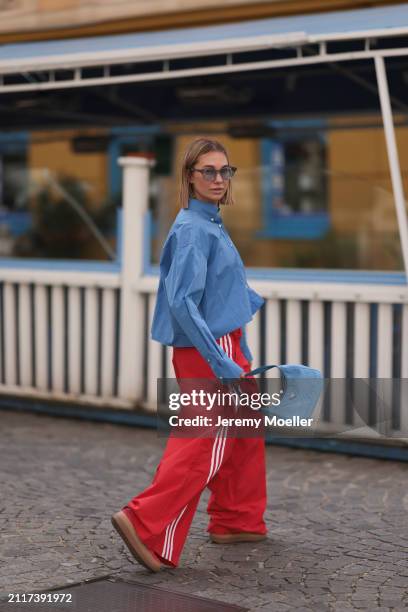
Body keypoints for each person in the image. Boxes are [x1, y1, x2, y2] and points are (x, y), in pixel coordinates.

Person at [111, 137, 268, 572]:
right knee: (204, 441)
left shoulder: (210, 223)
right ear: (189, 177)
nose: (219, 179)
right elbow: (182, 302)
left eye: (225, 171)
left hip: (224, 341)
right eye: (208, 172)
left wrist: (241, 334)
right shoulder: (193, 230)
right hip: (209, 347)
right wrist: (223, 362)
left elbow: (218, 289)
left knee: (244, 430)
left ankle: (237, 518)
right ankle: (146, 524)